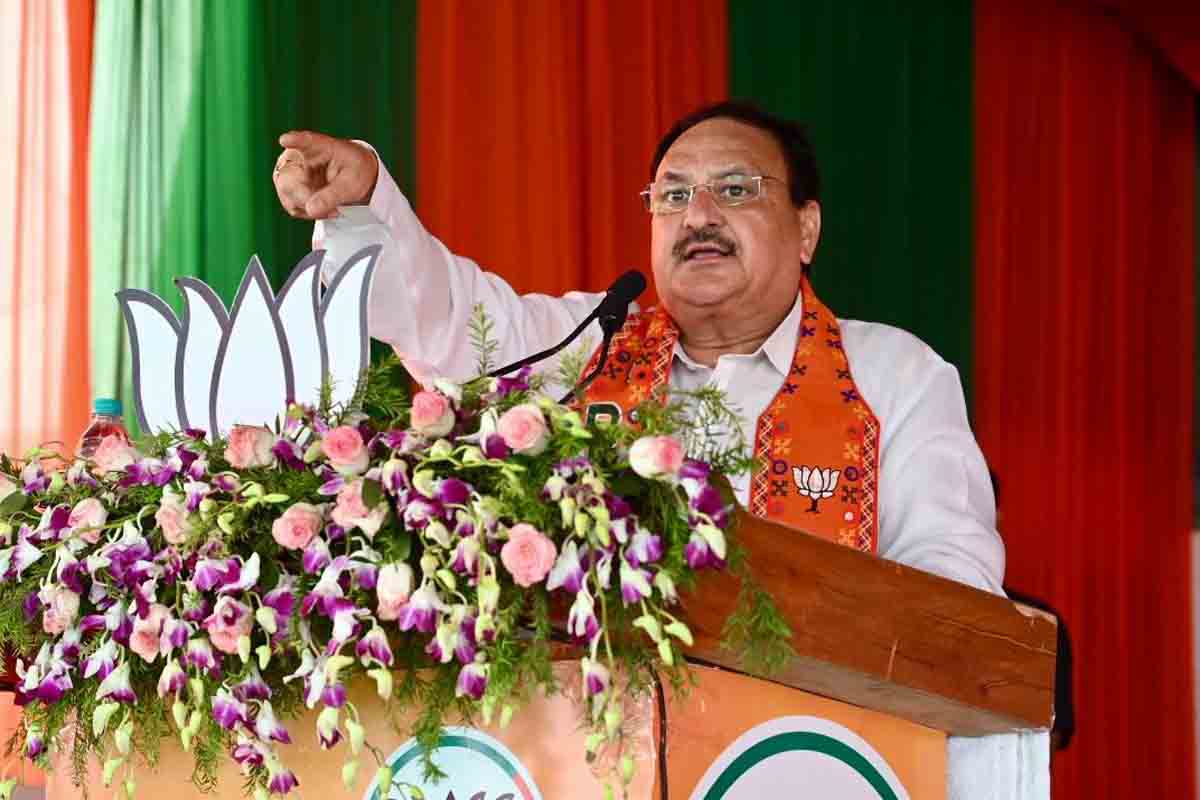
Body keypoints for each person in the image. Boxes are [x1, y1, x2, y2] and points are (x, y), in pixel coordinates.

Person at [272, 101, 1005, 595]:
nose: (700, 216)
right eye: (674, 196)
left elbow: (954, 587)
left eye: (736, 189)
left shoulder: (895, 376)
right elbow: (451, 326)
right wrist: (362, 203)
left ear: (806, 229)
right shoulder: (588, 345)